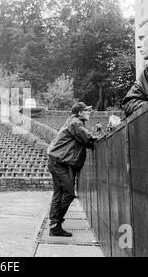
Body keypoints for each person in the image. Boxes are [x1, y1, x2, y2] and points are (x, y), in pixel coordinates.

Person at [47, 102, 97, 237]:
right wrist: (96, 135)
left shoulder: (74, 122)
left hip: (57, 161)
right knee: (68, 193)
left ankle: (54, 227)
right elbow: (88, 140)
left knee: (58, 193)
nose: (89, 112)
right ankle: (56, 222)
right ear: (80, 112)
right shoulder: (75, 122)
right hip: (58, 162)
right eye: (86, 110)